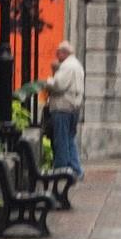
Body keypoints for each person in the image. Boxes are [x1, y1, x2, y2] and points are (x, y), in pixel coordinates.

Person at [44, 39, 86, 179]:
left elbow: (59, 85)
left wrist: (48, 81)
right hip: (73, 107)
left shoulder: (67, 66)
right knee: (69, 139)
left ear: (64, 53)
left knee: (61, 140)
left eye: (58, 52)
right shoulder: (77, 65)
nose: (56, 55)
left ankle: (61, 171)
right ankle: (76, 170)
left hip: (63, 107)